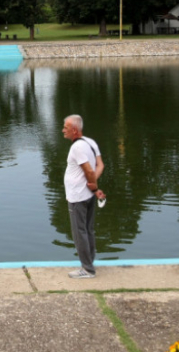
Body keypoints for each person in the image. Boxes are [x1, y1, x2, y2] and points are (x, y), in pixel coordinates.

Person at [61, 114, 106, 279]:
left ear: (74, 130)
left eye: (65, 128)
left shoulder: (77, 148)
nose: (63, 130)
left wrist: (93, 184)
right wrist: (94, 188)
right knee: (88, 230)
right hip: (87, 195)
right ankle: (89, 263)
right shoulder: (90, 142)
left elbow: (88, 170)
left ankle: (87, 269)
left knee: (79, 232)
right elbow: (100, 165)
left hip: (77, 197)